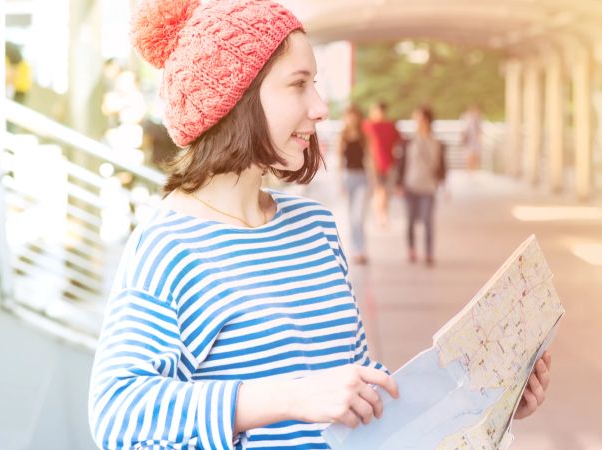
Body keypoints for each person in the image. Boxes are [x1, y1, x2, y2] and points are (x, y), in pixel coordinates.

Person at [89, 2, 553, 449]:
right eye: (298, 84)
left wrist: (488, 398)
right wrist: (291, 396)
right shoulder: (170, 246)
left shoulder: (315, 227)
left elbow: (357, 396)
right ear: (238, 100)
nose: (320, 106)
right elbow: (117, 411)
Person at [397, 105, 446, 267]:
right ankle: (411, 249)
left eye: (418, 118)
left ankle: (429, 253)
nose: (416, 121)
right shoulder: (408, 141)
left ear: (426, 120)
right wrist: (399, 184)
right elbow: (402, 164)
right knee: (410, 221)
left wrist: (444, 186)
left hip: (429, 187)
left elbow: (442, 166)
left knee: (427, 221)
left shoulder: (437, 143)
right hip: (410, 186)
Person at [336, 104, 372, 265]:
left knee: (358, 216)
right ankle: (355, 249)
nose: (352, 119)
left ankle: (361, 248)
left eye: (354, 115)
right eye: (349, 116)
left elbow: (370, 161)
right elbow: (339, 162)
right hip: (348, 177)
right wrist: (339, 183)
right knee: (351, 217)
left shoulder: (364, 137)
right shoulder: (342, 136)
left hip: (362, 178)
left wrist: (374, 183)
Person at [361, 102, 400, 228]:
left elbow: (398, 142)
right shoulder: (367, 125)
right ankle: (381, 216)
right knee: (379, 190)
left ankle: (383, 214)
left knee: (386, 192)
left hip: (389, 163)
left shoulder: (390, 126)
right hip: (373, 163)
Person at [460, 103, 483, 171]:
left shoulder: (479, 118)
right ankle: (470, 171)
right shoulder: (467, 118)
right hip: (469, 141)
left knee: (475, 156)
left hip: (475, 142)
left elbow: (479, 131)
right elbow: (464, 130)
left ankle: (473, 171)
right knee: (469, 156)